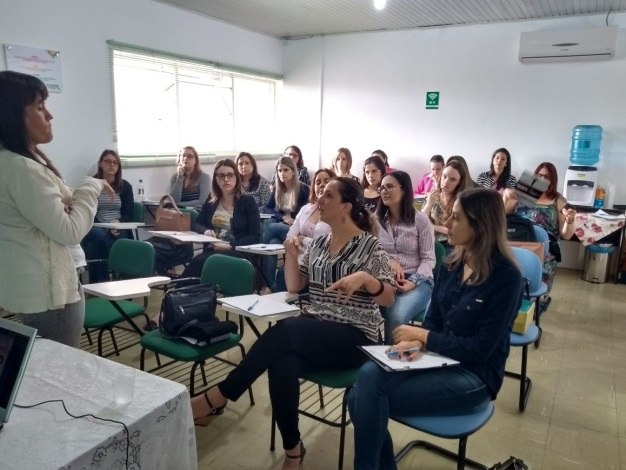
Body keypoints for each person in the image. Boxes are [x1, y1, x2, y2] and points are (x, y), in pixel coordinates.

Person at [190, 177, 395, 470]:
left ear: (346, 206)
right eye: (320, 195)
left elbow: (389, 299)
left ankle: (220, 396)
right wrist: (291, 254)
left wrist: (366, 279)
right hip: (318, 330)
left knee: (286, 330)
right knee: (281, 364)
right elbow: (295, 286)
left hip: (358, 337)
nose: (319, 200)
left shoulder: (370, 247)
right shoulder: (320, 243)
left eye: (327, 196)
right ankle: (293, 449)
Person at [349, 188, 522, 470]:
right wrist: (416, 344)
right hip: (436, 358)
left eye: (456, 218)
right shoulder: (451, 265)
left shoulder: (507, 277)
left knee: (362, 398)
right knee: (365, 382)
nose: (447, 224)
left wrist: (423, 337)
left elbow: (480, 349)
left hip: (474, 375)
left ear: (479, 226)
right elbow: (434, 321)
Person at [0, 70, 112, 347]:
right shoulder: (22, 169)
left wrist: (71, 199)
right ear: (13, 115)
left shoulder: (14, 163)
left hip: (32, 288)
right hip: (51, 295)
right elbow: (70, 231)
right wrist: (91, 186)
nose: (49, 116)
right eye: (40, 107)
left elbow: (55, 205)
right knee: (61, 367)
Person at [376, 171, 436, 341]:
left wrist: (413, 281)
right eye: (382, 188)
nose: (384, 191)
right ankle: (369, 353)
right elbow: (373, 251)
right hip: (386, 278)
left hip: (419, 281)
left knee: (396, 316)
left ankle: (390, 358)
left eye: (389, 186)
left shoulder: (421, 220)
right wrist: (389, 259)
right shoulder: (376, 221)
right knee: (363, 307)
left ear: (404, 190)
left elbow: (429, 259)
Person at [180, 159, 260, 277]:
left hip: (238, 251)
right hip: (213, 250)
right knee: (199, 263)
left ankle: (182, 293)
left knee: (201, 262)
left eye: (230, 175)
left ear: (236, 177)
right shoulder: (212, 200)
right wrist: (205, 231)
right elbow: (197, 224)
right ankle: (181, 293)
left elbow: (255, 237)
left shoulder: (247, 202)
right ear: (216, 179)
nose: (226, 179)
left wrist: (230, 245)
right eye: (221, 176)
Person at [514, 162, 576, 291]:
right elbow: (505, 217)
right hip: (521, 245)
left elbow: (566, 235)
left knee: (537, 290)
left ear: (552, 180)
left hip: (546, 251)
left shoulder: (557, 199)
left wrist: (569, 220)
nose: (542, 179)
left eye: (547, 177)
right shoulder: (524, 195)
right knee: (516, 287)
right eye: (539, 175)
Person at [273, 168, 335, 292]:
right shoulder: (306, 209)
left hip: (321, 265)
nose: (322, 184)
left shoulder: (336, 213)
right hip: (300, 260)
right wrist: (298, 241)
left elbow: (329, 246)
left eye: (326, 181)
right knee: (282, 272)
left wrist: (303, 239)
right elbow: (290, 238)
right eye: (318, 182)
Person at [81, 149, 134, 283]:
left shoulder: (125, 186)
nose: (111, 165)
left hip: (118, 225)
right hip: (97, 225)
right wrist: (106, 228)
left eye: (115, 163)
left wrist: (118, 222)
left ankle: (121, 283)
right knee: (99, 238)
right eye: (108, 161)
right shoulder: (92, 184)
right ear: (100, 164)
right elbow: (88, 211)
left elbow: (128, 213)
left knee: (120, 243)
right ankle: (101, 283)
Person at [421, 160, 471, 246]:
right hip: (429, 240)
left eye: (452, 179)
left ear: (459, 182)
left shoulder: (461, 201)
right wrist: (429, 203)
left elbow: (459, 230)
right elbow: (420, 221)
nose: (446, 182)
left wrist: (432, 227)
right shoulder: (434, 195)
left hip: (451, 244)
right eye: (444, 176)